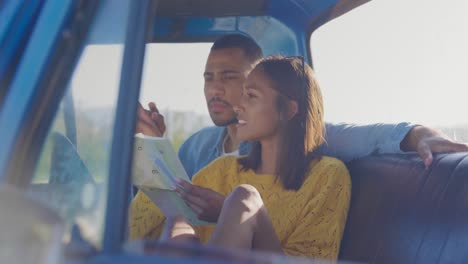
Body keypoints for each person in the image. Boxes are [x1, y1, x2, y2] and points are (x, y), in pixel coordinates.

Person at [137, 34, 468, 179]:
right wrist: (155, 146)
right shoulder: (197, 146)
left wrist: (419, 135)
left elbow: (365, 137)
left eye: (229, 77)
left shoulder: (287, 138)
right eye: (209, 78)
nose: (215, 89)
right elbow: (171, 205)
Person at [130, 56, 351, 259]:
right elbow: (137, 225)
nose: (238, 106)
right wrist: (151, 142)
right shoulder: (223, 169)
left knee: (244, 199)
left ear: (289, 110)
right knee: (178, 224)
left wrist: (227, 212)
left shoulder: (328, 174)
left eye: (251, 96)